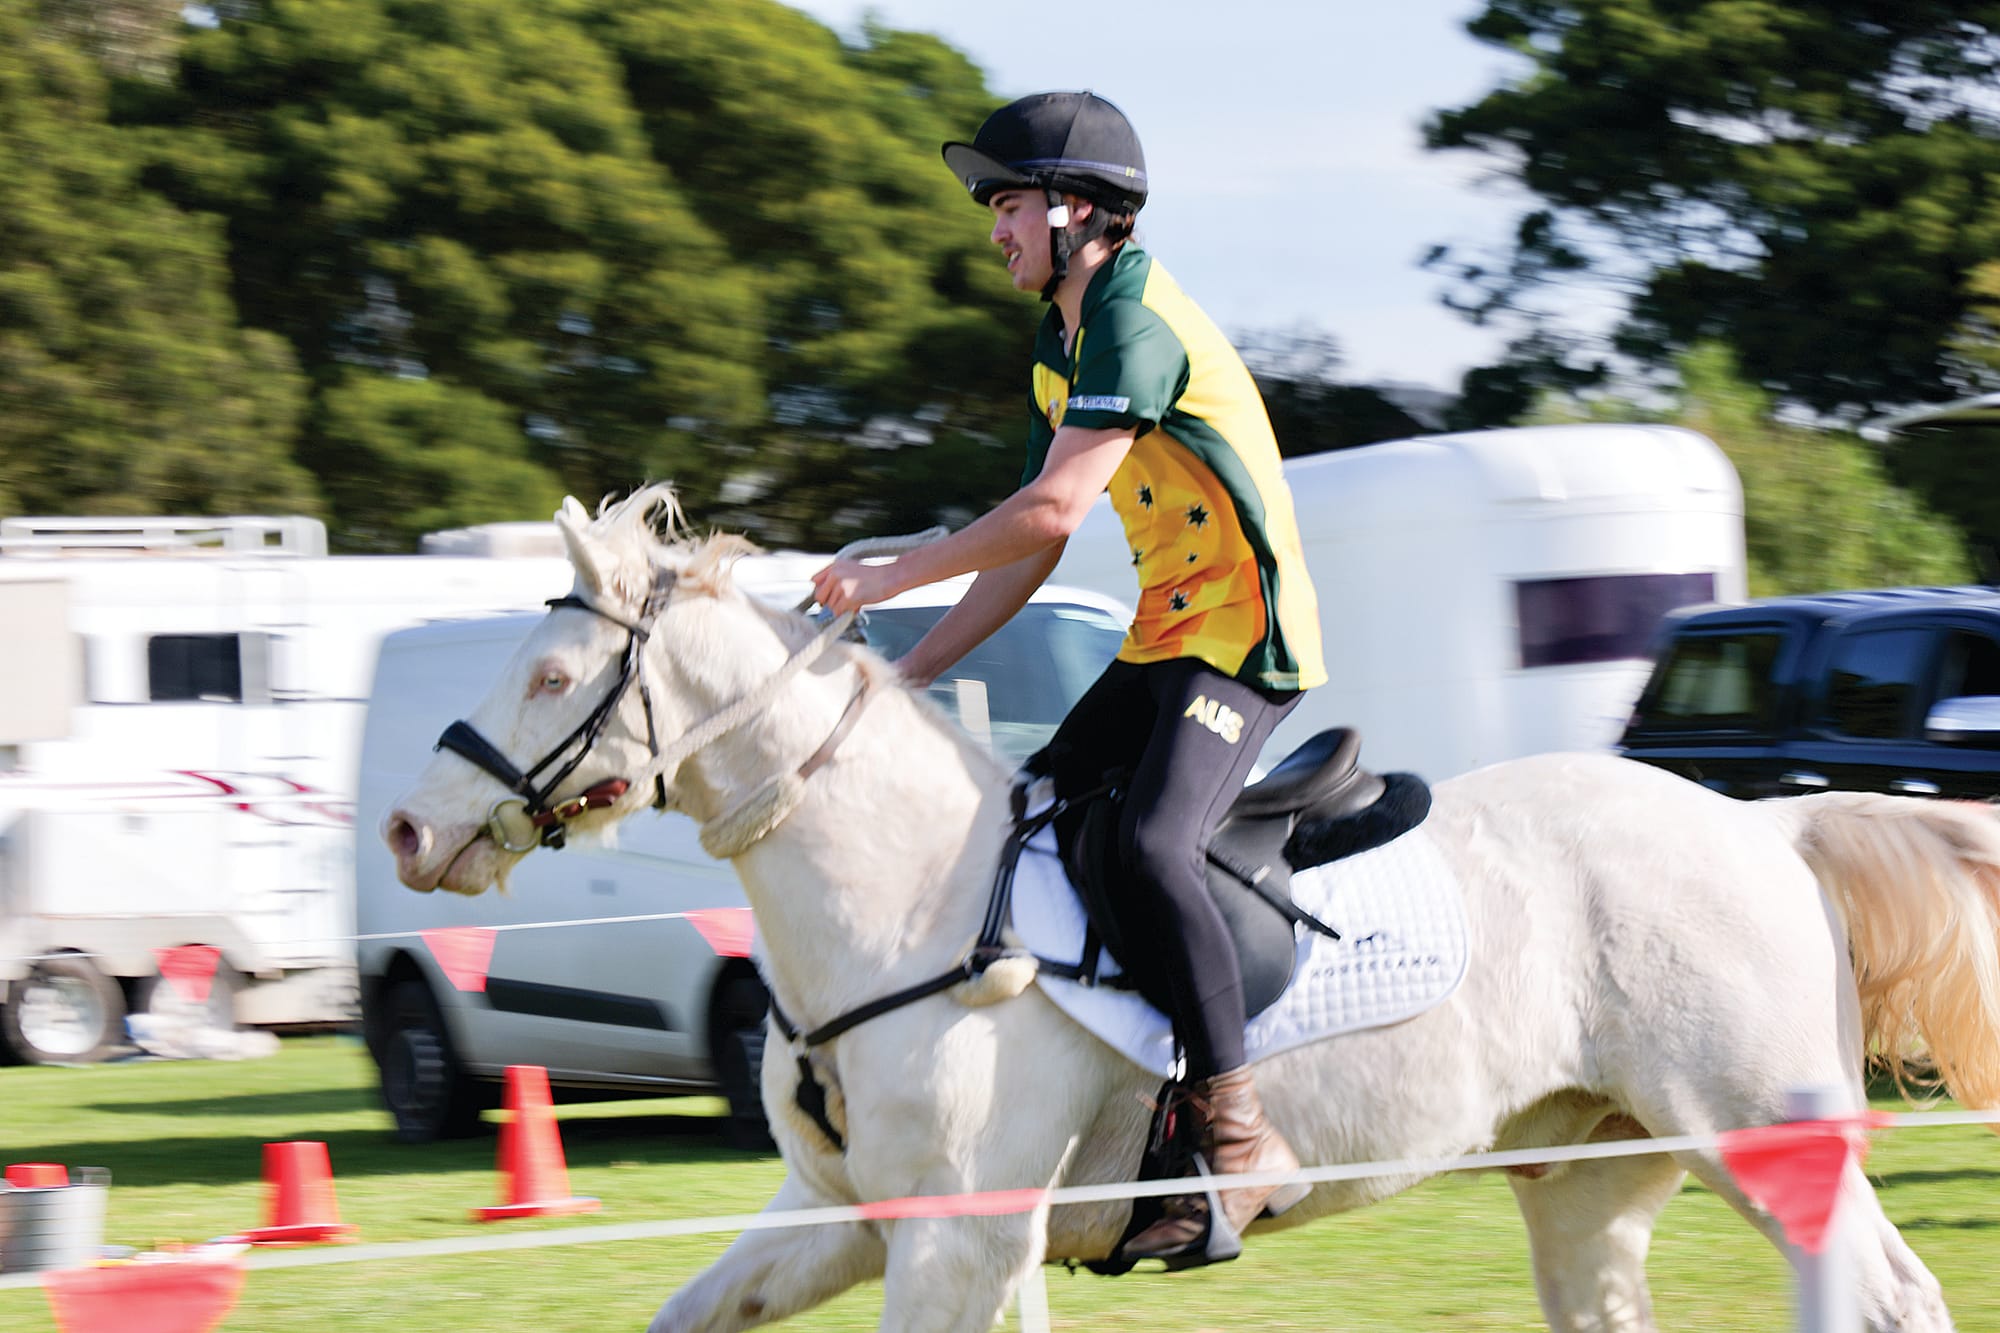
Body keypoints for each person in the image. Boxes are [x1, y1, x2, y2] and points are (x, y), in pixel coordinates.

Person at [810, 90, 1325, 1260]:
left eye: (1008, 204)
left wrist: (889, 575)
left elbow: (1047, 507)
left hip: (1243, 640)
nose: (993, 228)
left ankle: (1241, 1132)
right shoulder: (1061, 344)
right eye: (992, 207)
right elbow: (1032, 550)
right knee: (1025, 818)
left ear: (1077, 211)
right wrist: (908, 670)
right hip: (1160, 639)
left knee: (1149, 845)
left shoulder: (1134, 323)